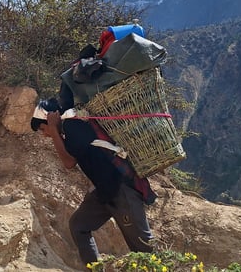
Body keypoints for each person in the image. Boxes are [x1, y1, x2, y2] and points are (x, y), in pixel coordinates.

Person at [31, 99, 157, 266]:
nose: (45, 134)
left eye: (43, 128)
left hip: (121, 189)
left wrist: (54, 131)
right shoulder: (70, 127)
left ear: (50, 119)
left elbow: (69, 163)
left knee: (143, 247)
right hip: (106, 191)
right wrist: (54, 130)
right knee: (78, 226)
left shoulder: (72, 126)